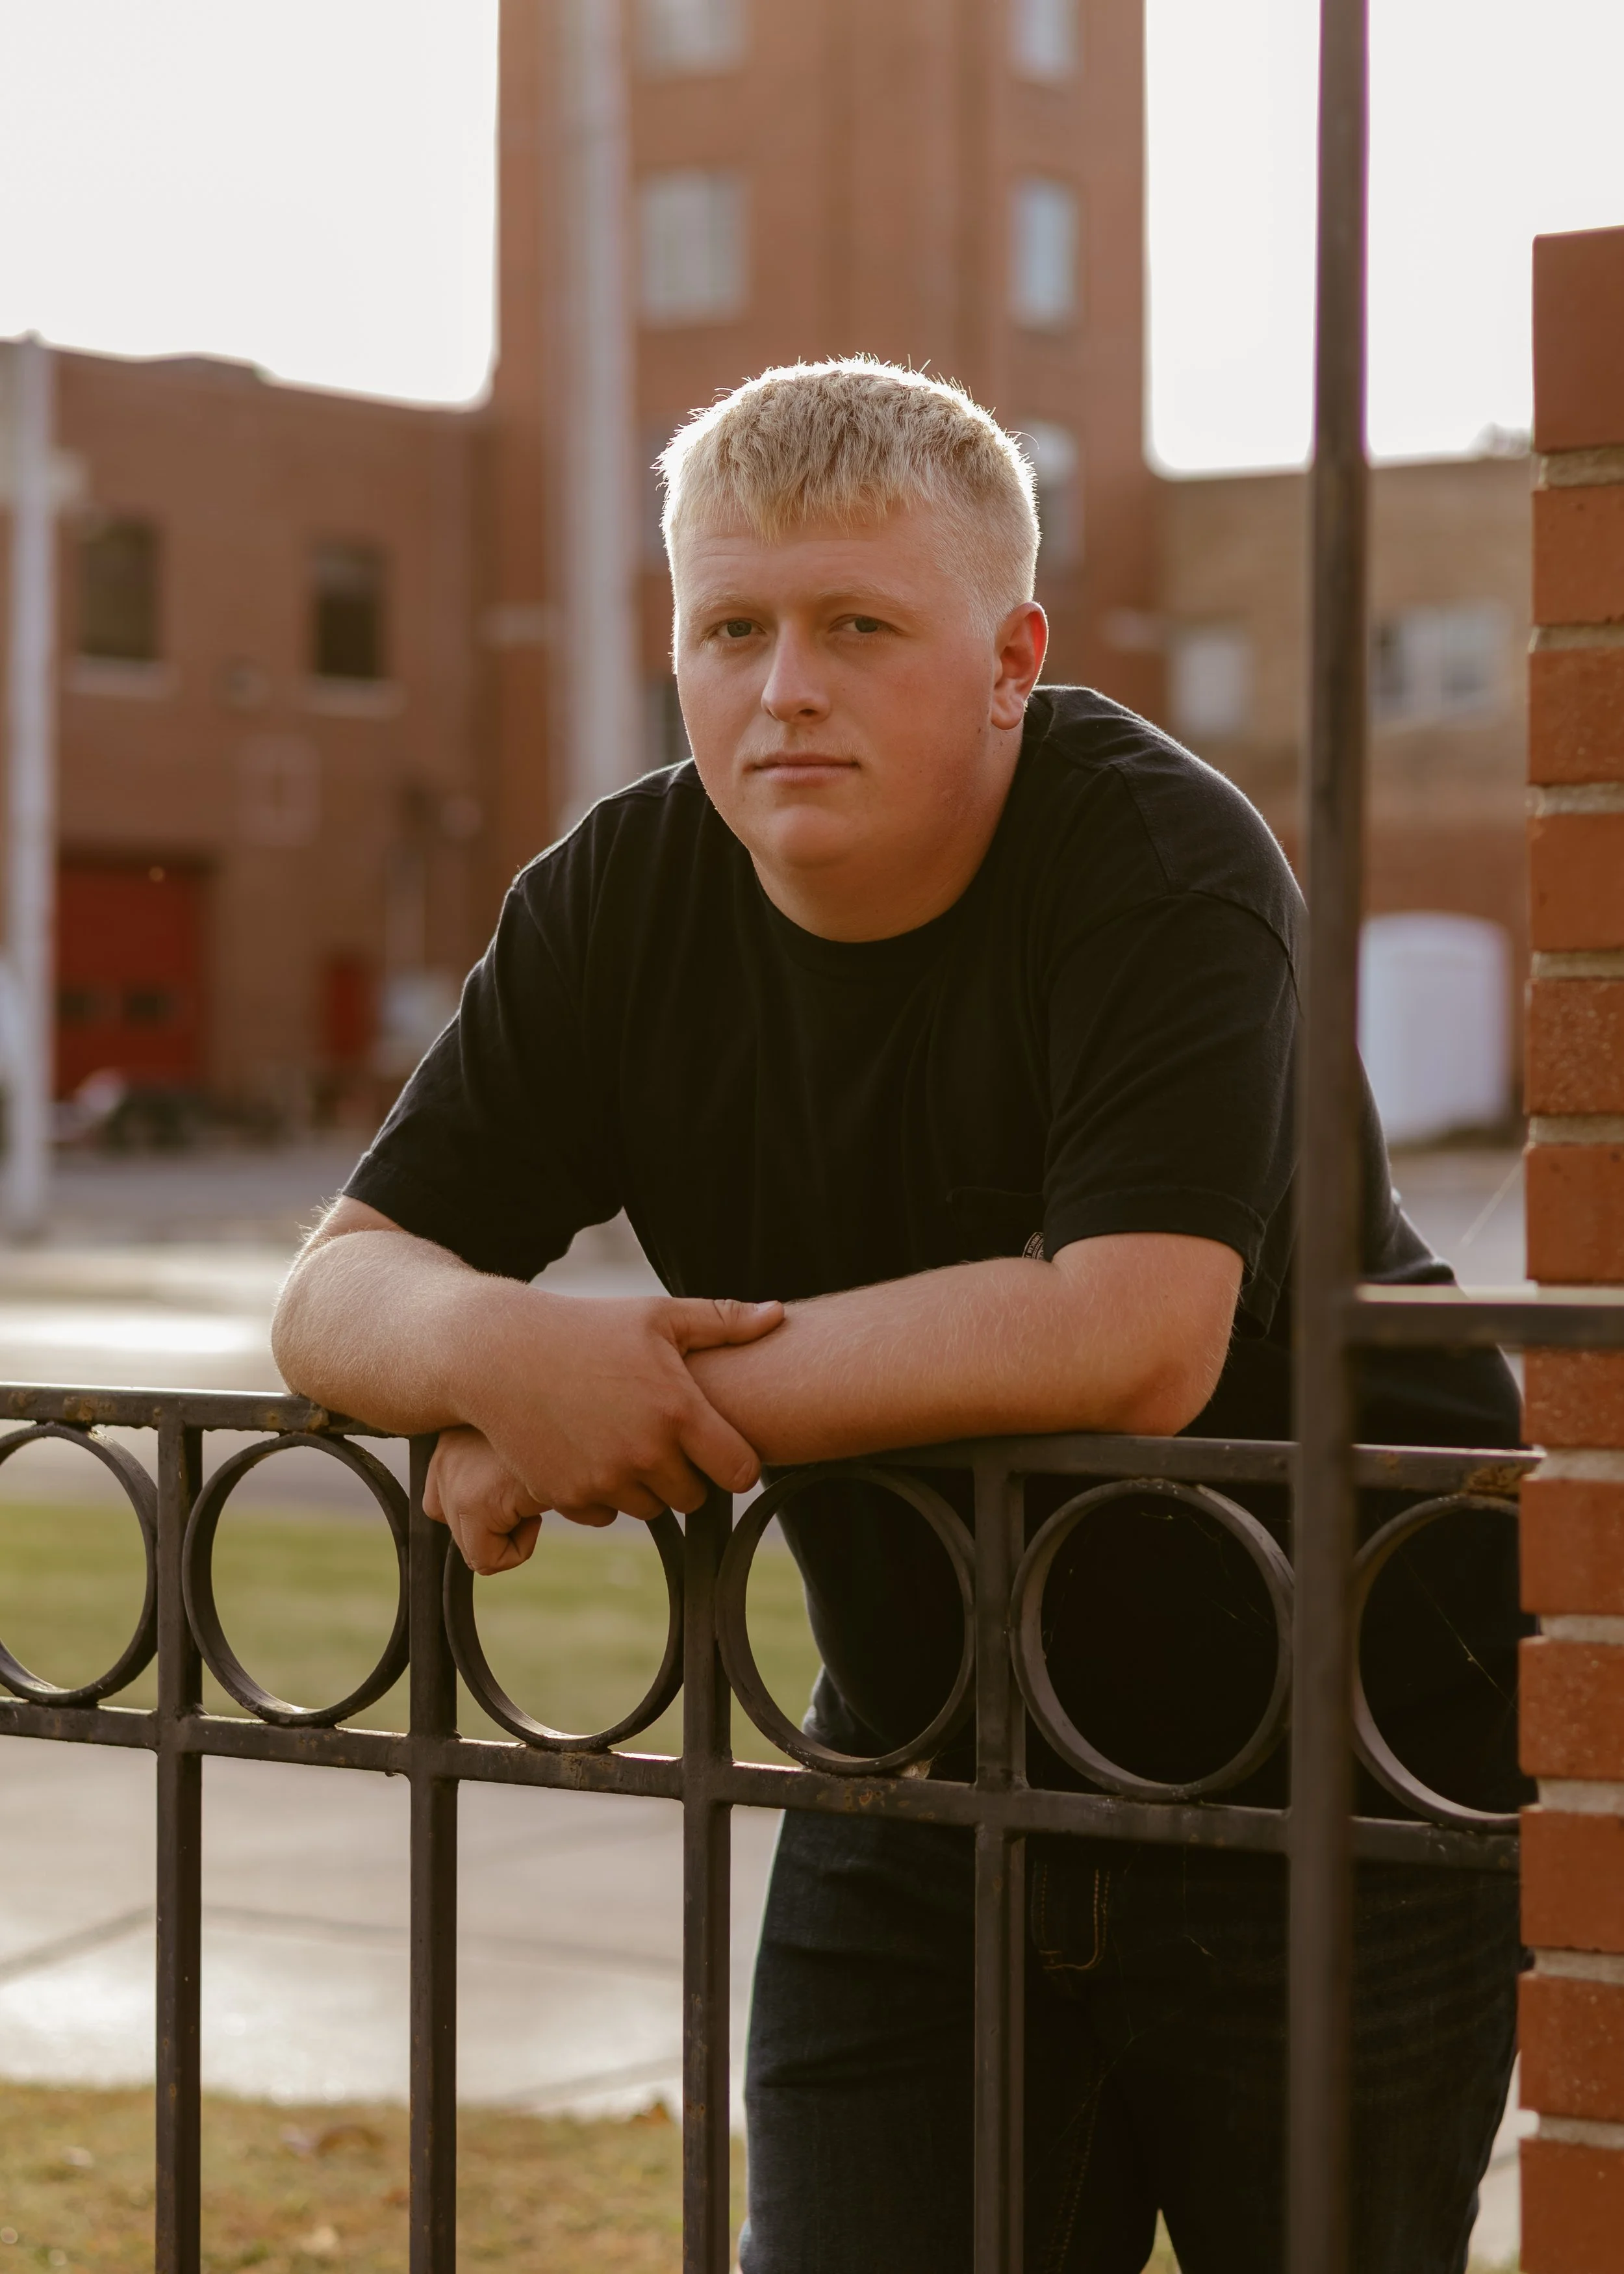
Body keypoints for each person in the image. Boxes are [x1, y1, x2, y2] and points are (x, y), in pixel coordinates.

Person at [272, 359, 1524, 2273]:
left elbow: (1128, 1330)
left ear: (1012, 654)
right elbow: (345, 1279)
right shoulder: (618, 897)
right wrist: (499, 1355)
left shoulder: (1164, 861)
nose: (785, 686)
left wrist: (633, 1388)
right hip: (928, 1756)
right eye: (732, 626)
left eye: (859, 625)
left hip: (1336, 1761)